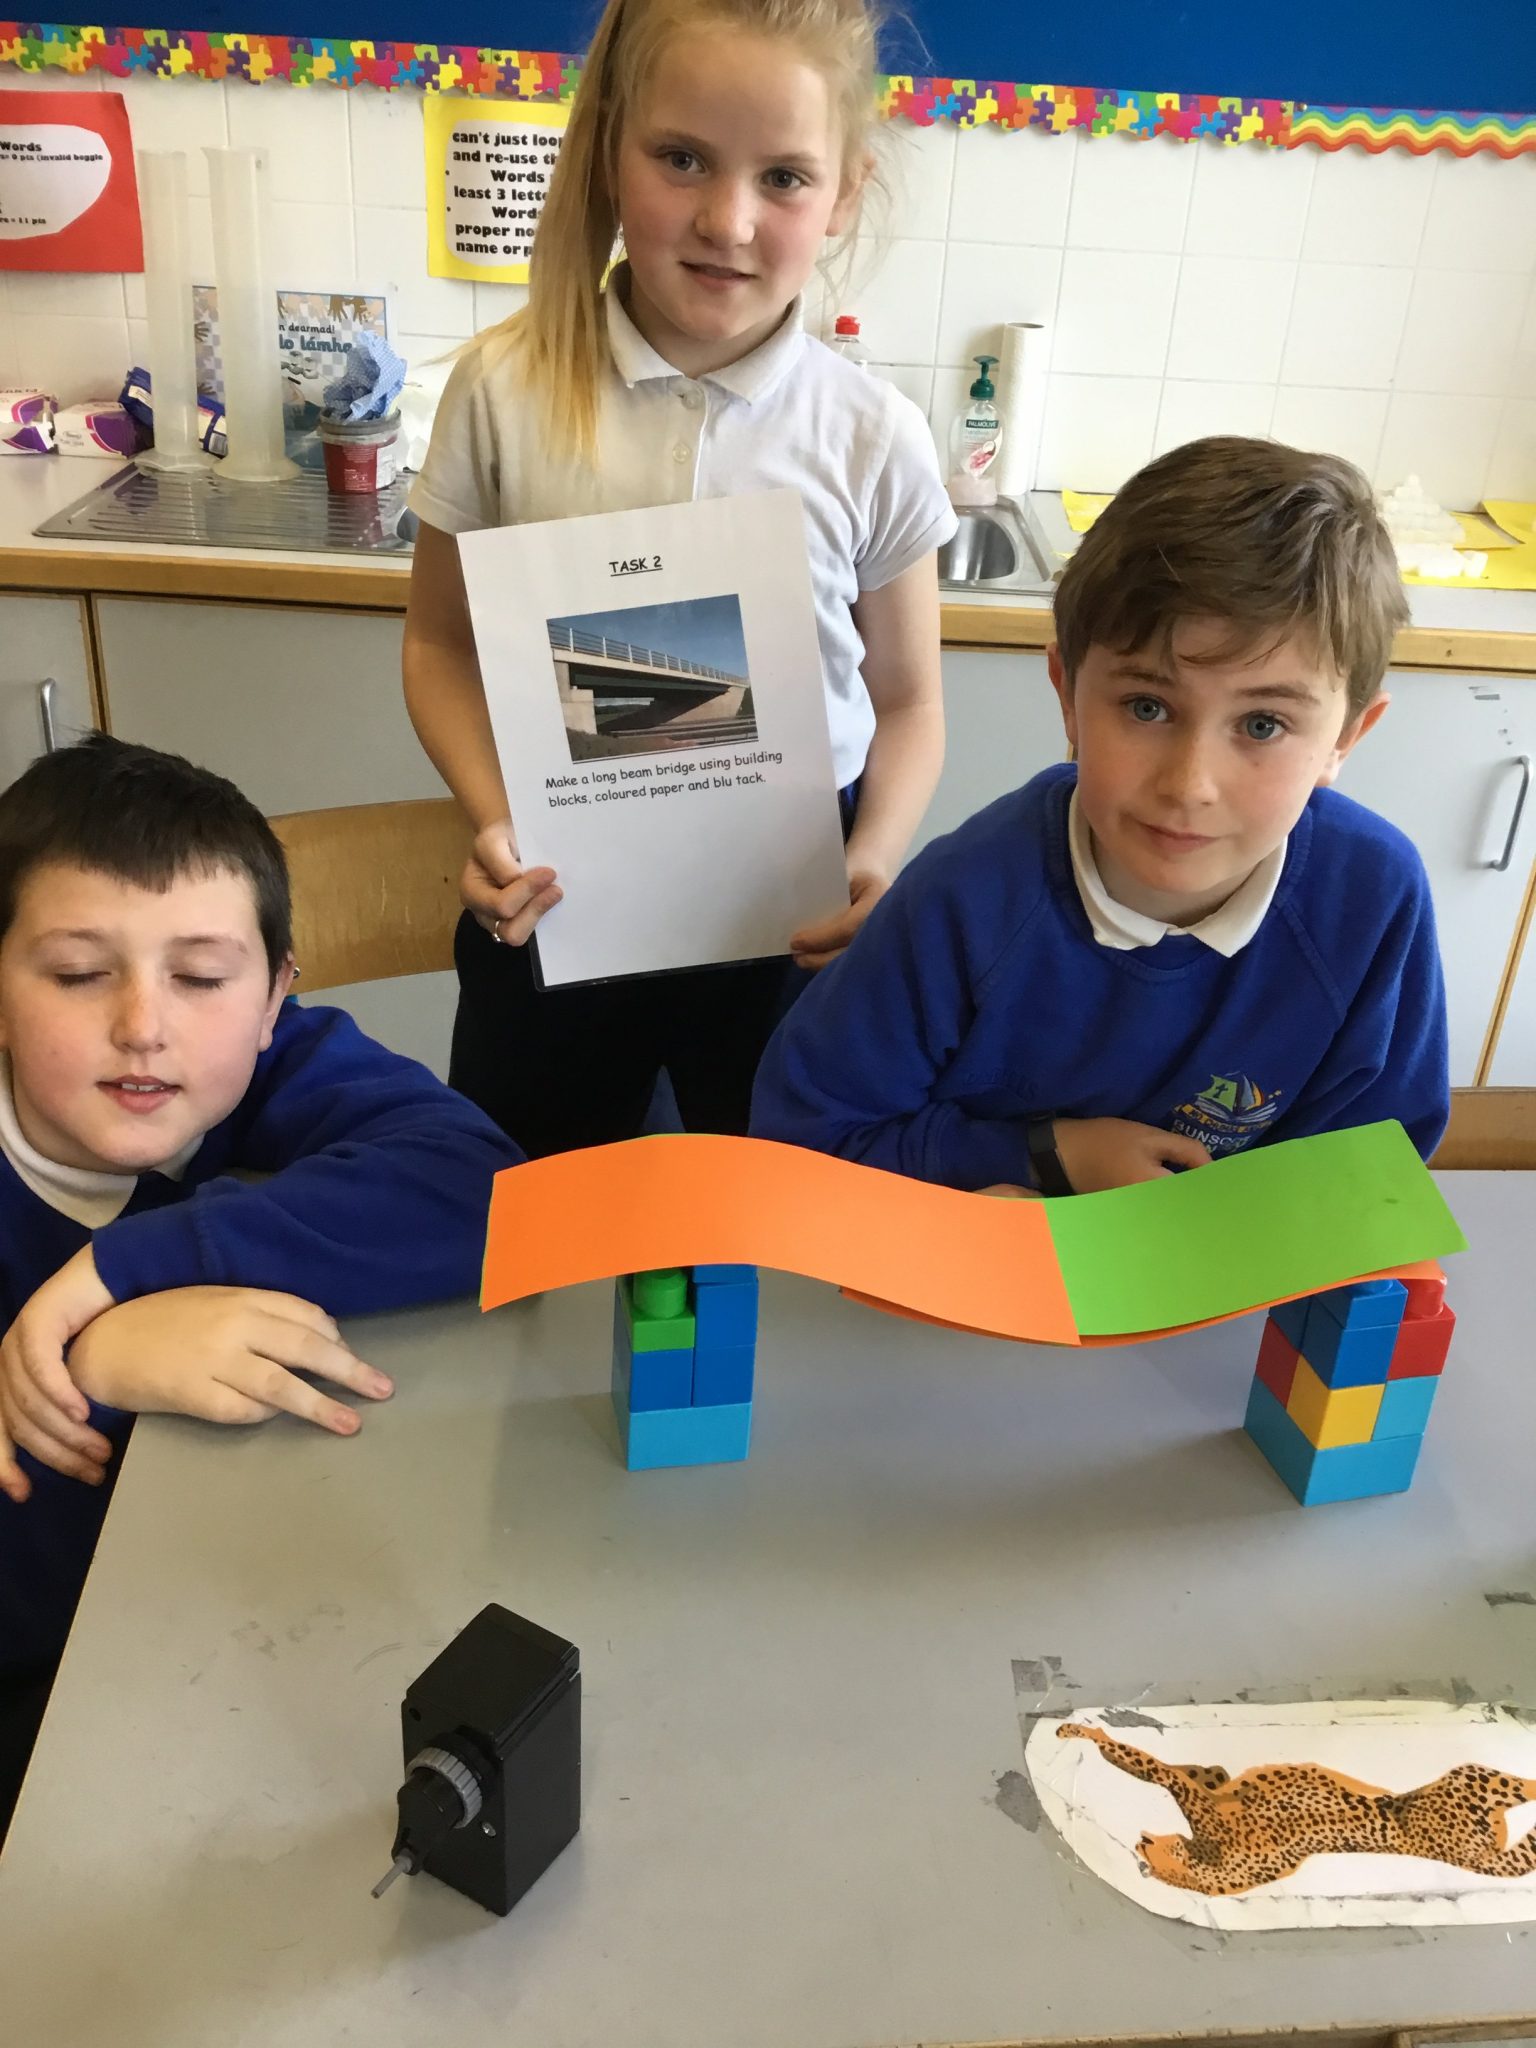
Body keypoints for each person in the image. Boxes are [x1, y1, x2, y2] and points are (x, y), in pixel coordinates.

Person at [403, 0, 956, 1158]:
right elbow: (440, 645)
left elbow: (909, 700)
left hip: (786, 913)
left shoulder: (872, 437)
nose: (728, 221)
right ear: (612, 147)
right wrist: (493, 817)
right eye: (683, 159)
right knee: (529, 1201)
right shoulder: (502, 392)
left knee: (772, 1209)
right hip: (560, 890)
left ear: (845, 193)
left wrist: (873, 858)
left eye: (784, 177)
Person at [0, 735, 522, 1839]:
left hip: (213, 1613)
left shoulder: (253, 1058)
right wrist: (96, 1371)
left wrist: (129, 1271)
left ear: (278, 995)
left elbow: (480, 1185)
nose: (144, 1026)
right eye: (79, 974)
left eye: (200, 978)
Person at [751, 436, 1450, 1191]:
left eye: (1262, 725)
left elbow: (1373, 1171)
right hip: (980, 1256)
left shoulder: (1374, 898)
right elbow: (806, 1137)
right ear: (1068, 695)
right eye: (1147, 706)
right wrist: (1041, 1154)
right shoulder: (961, 901)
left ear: (1345, 738)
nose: (1189, 785)